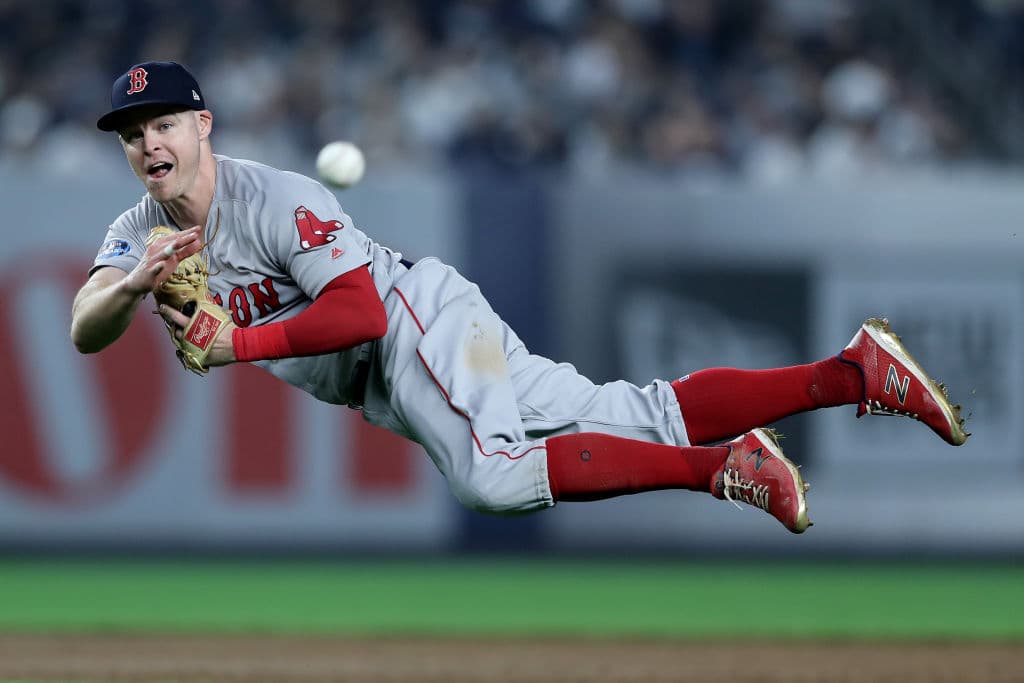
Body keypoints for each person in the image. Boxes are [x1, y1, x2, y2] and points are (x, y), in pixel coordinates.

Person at [71, 62, 969, 535]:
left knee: (490, 479)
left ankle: (725, 467)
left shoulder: (277, 199)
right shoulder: (137, 228)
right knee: (633, 413)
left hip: (411, 325)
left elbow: (363, 314)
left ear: (202, 125)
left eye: (164, 124)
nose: (149, 143)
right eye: (132, 133)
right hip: (387, 378)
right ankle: (853, 373)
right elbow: (85, 324)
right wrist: (133, 284)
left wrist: (238, 348)